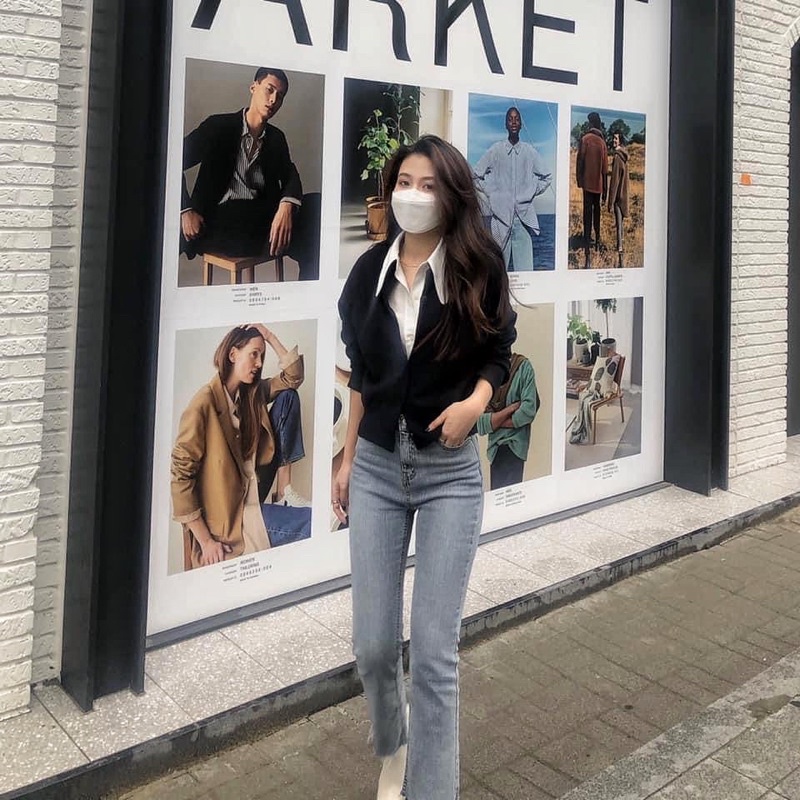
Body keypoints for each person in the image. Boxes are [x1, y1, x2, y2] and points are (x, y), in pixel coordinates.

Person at [334, 135, 517, 800]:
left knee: (435, 653)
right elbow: (361, 374)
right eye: (405, 182)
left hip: (449, 476)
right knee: (374, 648)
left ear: (451, 195)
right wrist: (347, 459)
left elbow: (499, 351)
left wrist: (475, 403)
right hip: (378, 468)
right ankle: (394, 748)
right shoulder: (368, 273)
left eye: (429, 184)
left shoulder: (477, 266)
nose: (413, 195)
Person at [171, 324, 308, 570]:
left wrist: (269, 337)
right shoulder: (203, 404)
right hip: (232, 515)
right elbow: (180, 478)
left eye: (261, 356)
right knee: (312, 523)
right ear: (233, 354)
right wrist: (206, 541)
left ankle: (284, 493)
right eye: (254, 354)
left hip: (254, 487)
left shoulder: (250, 393)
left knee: (288, 396)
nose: (259, 363)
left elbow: (293, 377)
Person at [180, 67, 320, 280]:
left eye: (280, 96)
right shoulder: (217, 126)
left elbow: (290, 174)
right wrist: (185, 209)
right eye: (269, 90)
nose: (273, 100)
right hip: (220, 222)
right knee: (248, 212)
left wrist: (286, 206)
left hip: (260, 220)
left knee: (316, 206)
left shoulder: (276, 138)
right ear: (253, 87)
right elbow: (172, 159)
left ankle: (306, 290)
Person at [472, 106, 552, 271]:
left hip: (523, 221)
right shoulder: (495, 150)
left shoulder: (529, 152)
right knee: (498, 272)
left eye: (517, 119)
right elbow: (475, 176)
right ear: (505, 124)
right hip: (500, 222)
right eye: (510, 119)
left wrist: (530, 192)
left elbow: (547, 177)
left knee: (526, 273)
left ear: (521, 124)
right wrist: (492, 193)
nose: (514, 122)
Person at [477, 353, 540, 490]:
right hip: (494, 449)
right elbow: (480, 423)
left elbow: (527, 411)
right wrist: (509, 409)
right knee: (500, 496)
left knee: (511, 496)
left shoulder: (523, 367)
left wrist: (494, 421)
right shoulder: (485, 373)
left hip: (515, 446)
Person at [576, 111, 608, 269]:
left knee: (587, 214)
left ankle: (587, 247)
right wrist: (605, 191)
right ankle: (598, 240)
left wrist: (579, 180)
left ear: (591, 123)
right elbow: (605, 170)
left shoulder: (585, 139)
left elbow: (580, 161)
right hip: (598, 186)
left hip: (587, 185)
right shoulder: (602, 143)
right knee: (597, 214)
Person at [607, 131, 630, 267]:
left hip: (618, 196)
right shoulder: (625, 155)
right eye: (613, 138)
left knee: (619, 224)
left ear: (620, 140)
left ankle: (620, 249)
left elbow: (614, 182)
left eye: (615, 138)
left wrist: (610, 202)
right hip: (625, 194)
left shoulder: (617, 157)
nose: (613, 140)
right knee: (620, 224)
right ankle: (621, 247)